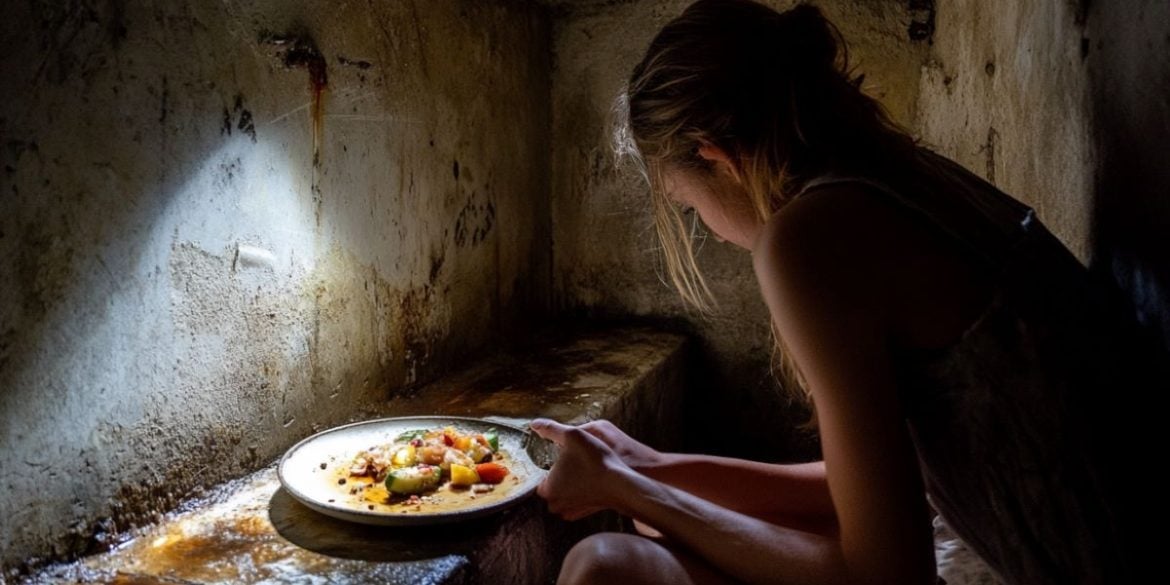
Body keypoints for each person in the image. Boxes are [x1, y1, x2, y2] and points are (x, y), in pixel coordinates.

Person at [529, 1, 1159, 584]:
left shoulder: (809, 236)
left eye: (688, 207)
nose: (712, 233)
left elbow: (884, 574)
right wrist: (646, 468)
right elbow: (881, 485)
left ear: (716, 155)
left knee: (607, 566)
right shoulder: (906, 179)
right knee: (634, 541)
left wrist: (633, 491)